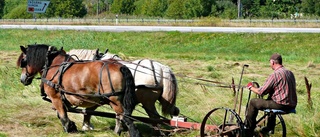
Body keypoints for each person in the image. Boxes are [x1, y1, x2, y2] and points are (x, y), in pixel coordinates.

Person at [244, 53, 297, 136]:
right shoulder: (290, 73)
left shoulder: (275, 75)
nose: (270, 64)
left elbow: (261, 92)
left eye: (270, 63)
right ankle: (269, 127)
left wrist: (251, 87)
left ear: (272, 62)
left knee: (253, 102)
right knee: (270, 101)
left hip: (280, 104)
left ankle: (248, 129)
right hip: (291, 104)